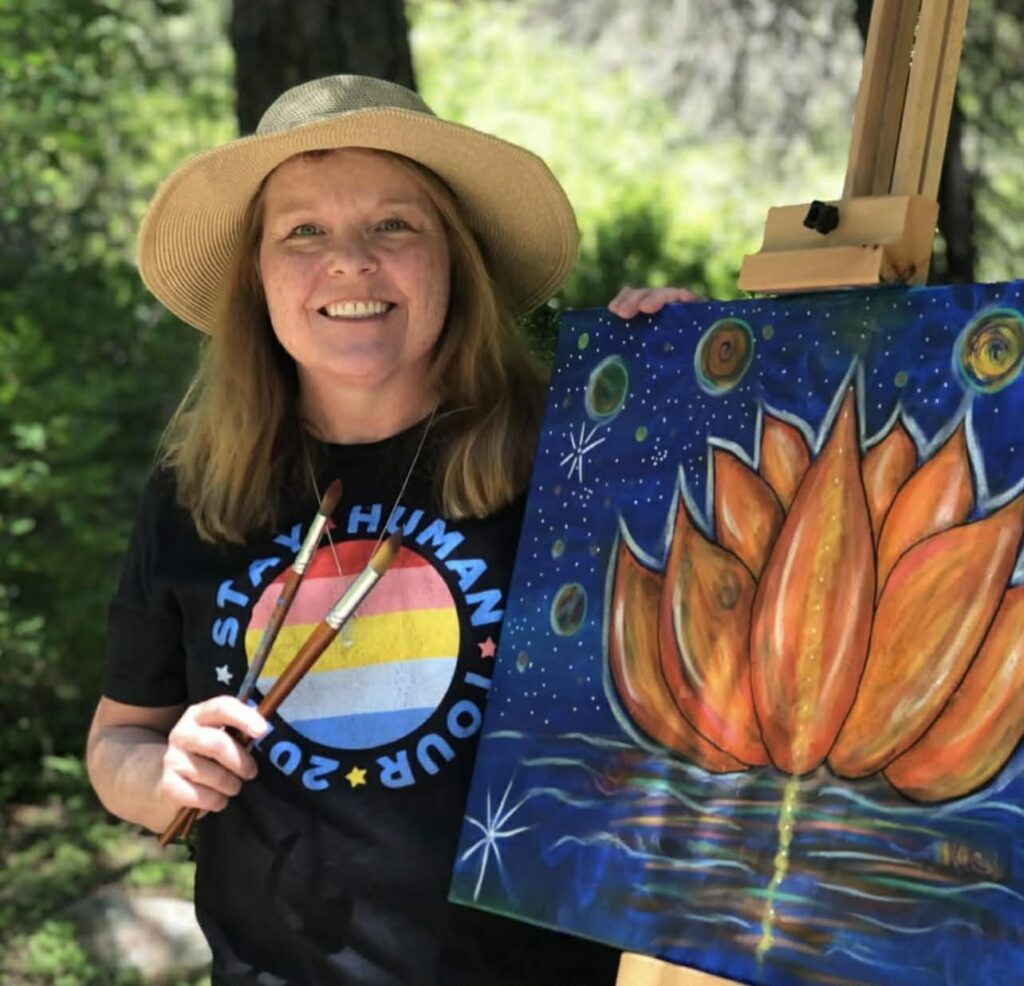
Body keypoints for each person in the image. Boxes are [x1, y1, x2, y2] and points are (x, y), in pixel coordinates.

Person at [86, 74, 692, 986]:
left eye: (394, 225)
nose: (351, 261)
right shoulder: (195, 490)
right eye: (304, 231)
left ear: (456, 258)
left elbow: (725, 660)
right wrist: (161, 774)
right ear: (258, 275)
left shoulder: (573, 457)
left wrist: (692, 395)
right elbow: (117, 740)